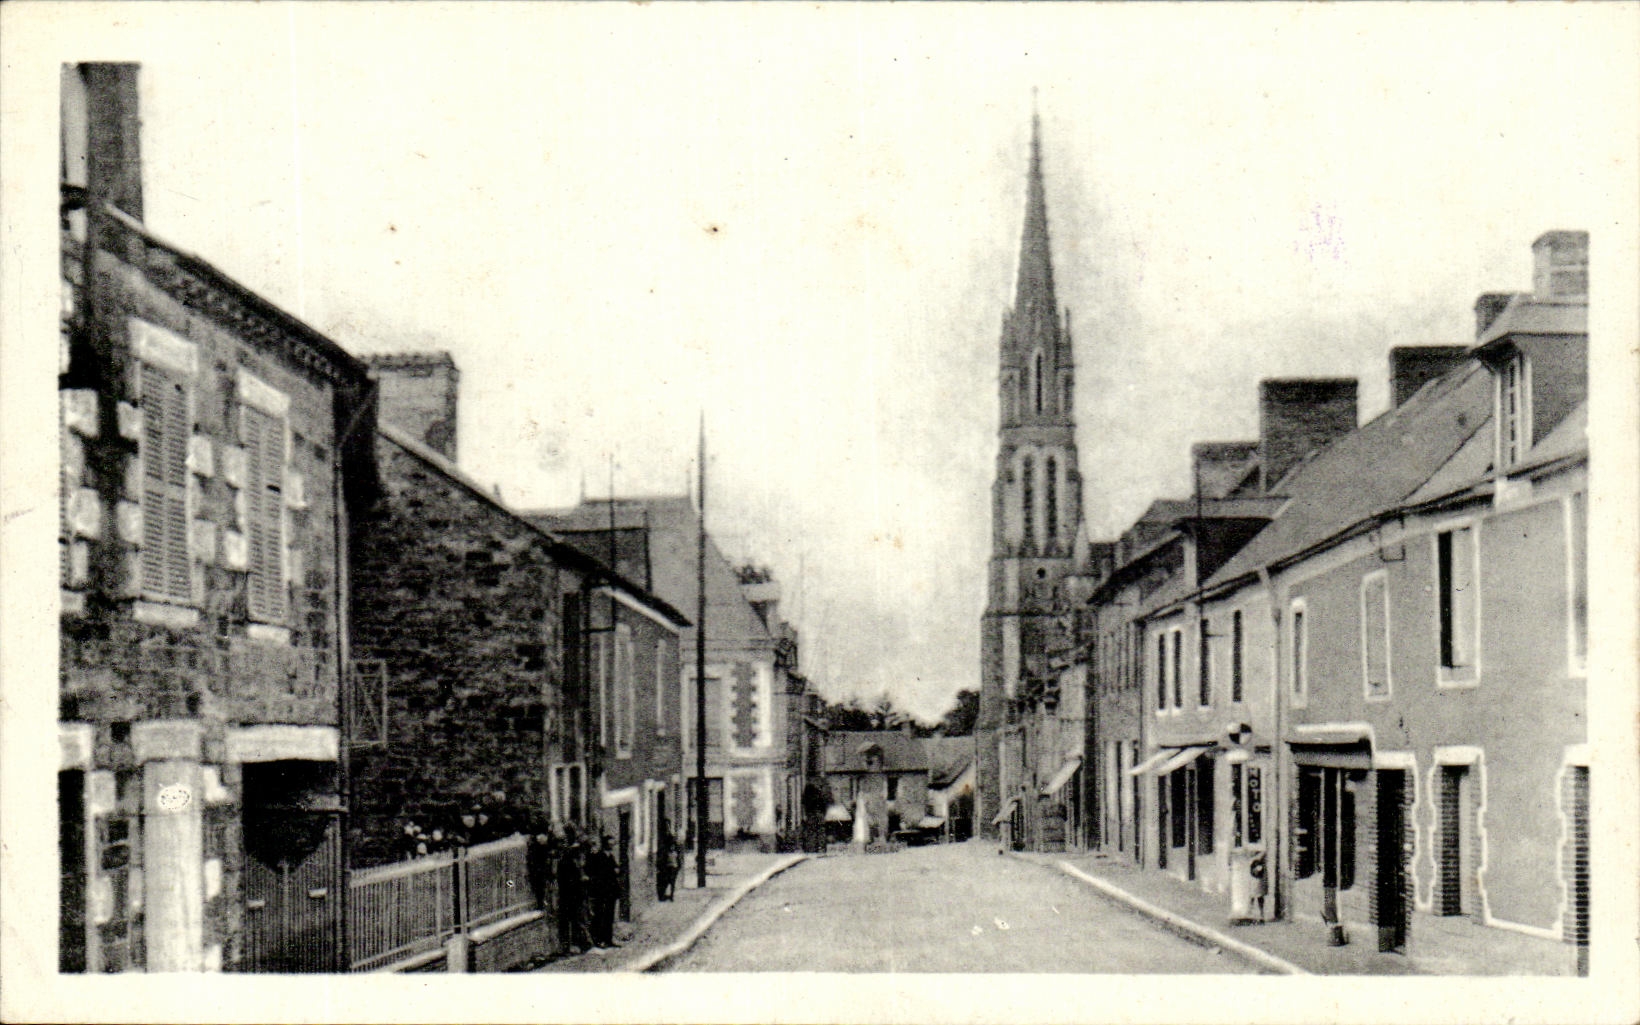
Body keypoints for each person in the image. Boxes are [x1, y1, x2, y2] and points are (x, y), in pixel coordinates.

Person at [554, 839, 591, 954]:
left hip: (576, 896)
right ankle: (567, 946)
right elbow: (564, 881)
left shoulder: (576, 864)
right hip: (568, 896)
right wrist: (579, 880)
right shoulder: (565, 863)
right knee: (567, 921)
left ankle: (578, 944)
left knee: (576, 921)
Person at [584, 836, 621, 950]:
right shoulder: (598, 856)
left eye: (613, 845)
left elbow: (615, 868)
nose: (612, 847)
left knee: (609, 915)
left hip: (611, 890)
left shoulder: (610, 856)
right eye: (610, 845)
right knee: (600, 915)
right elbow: (592, 871)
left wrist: (617, 870)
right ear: (605, 845)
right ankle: (599, 940)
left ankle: (608, 939)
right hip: (601, 890)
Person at [655, 831, 679, 902]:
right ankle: (667, 895)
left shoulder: (672, 849)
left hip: (673, 867)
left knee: (670, 882)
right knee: (669, 882)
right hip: (670, 867)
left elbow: (678, 859)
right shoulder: (668, 850)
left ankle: (670, 895)